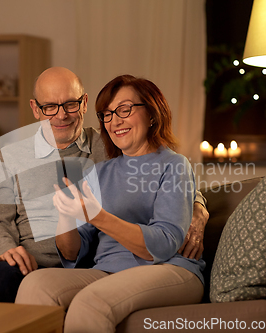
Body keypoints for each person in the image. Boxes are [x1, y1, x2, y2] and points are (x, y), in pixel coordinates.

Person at [0, 67, 208, 303]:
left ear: (83, 102)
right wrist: (5, 248)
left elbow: (161, 166)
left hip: (53, 258)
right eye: (49, 107)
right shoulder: (8, 154)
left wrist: (198, 208)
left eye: (70, 103)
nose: (61, 115)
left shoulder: (108, 144)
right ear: (35, 108)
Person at [16, 74, 206, 332]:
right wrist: (66, 215)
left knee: (91, 301)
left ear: (152, 113)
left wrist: (97, 216)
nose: (115, 120)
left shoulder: (174, 165)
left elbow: (163, 244)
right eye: (107, 114)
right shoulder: (100, 172)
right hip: (107, 271)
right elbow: (73, 252)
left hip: (169, 269)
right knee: (35, 284)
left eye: (124, 110)